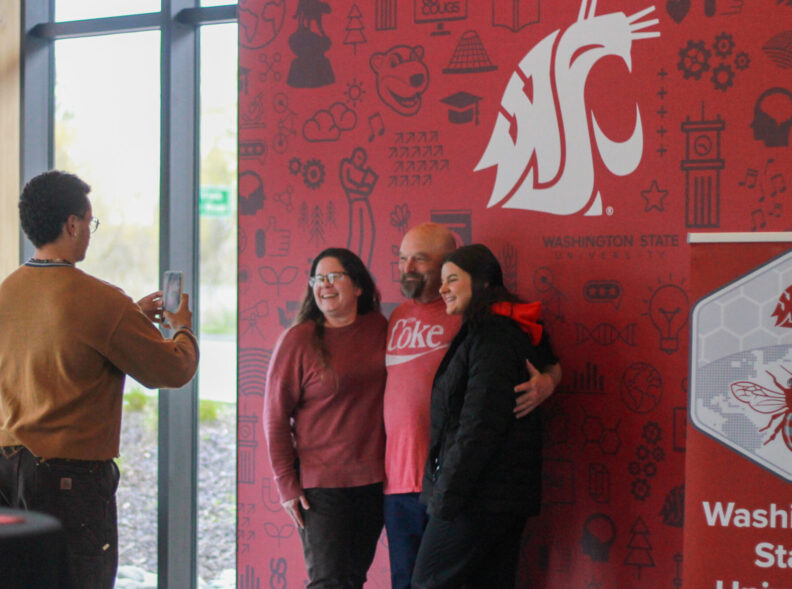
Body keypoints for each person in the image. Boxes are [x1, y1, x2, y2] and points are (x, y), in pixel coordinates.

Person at [0, 170, 199, 589]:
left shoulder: (7, 291)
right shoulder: (101, 300)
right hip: (69, 483)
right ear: (72, 224)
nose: (89, 232)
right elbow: (174, 369)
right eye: (89, 222)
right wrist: (181, 328)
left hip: (7, 472)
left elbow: (55, 346)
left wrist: (132, 322)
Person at [384, 224, 561, 589]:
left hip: (474, 495)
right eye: (403, 258)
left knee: (427, 581)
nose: (443, 288)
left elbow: (479, 425)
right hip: (466, 492)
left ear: (480, 283)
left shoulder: (492, 333)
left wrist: (447, 496)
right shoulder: (491, 326)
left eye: (452, 279)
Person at [263, 247, 387, 589]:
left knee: (353, 580)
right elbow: (274, 417)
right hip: (320, 487)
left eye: (334, 277)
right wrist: (286, 485)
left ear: (358, 286)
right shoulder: (298, 340)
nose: (325, 285)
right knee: (329, 582)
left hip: (374, 481)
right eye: (318, 279)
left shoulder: (380, 327)